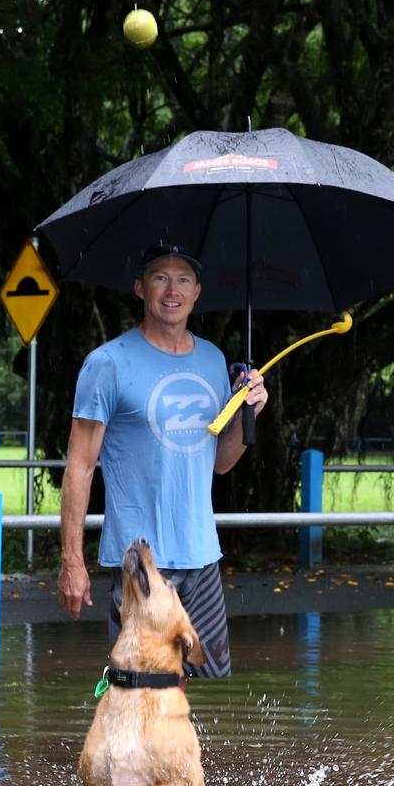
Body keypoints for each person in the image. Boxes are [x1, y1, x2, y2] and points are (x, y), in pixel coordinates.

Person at [57, 241, 268, 678]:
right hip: (141, 561)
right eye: (160, 277)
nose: (172, 290)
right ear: (139, 288)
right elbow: (79, 465)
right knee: (139, 688)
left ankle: (182, 753)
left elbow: (221, 463)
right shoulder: (108, 364)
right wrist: (71, 561)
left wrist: (248, 416)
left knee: (192, 683)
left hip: (201, 553)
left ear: (197, 293)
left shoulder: (213, 360)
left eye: (183, 279)